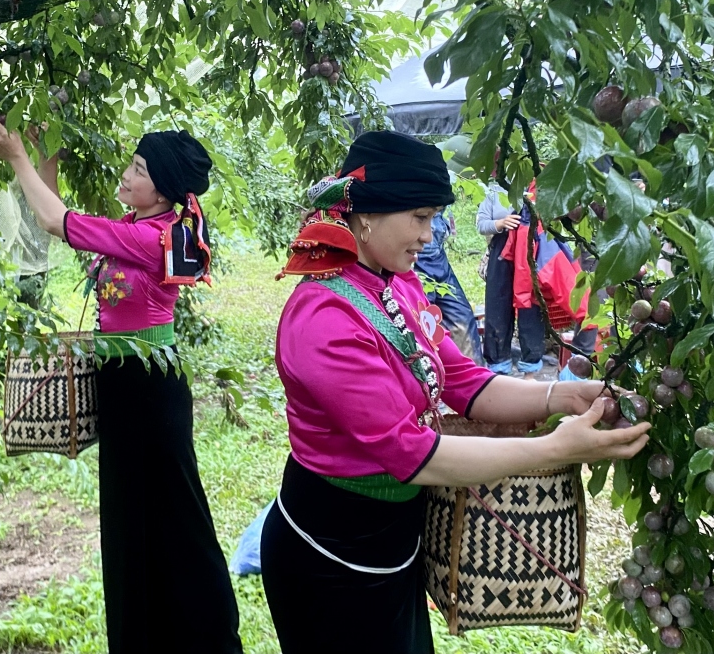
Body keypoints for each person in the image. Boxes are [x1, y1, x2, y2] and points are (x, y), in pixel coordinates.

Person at [260, 130, 649, 654]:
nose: (431, 233)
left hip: (394, 539)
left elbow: (463, 381)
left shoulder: (398, 284)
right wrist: (555, 449)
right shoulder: (323, 317)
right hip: (330, 551)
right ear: (368, 214)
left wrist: (559, 396)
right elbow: (410, 453)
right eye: (420, 217)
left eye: (433, 217)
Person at [0, 120, 242, 654]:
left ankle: (204, 634)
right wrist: (46, 154)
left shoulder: (148, 237)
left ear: (166, 189)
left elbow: (55, 222)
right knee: (139, 519)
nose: (126, 176)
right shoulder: (144, 226)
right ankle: (158, 634)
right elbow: (62, 218)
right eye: (132, 164)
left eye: (139, 170)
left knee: (169, 515)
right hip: (132, 383)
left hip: (146, 385)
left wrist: (17, 158)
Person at [478, 180, 546, 375]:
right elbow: (481, 223)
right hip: (501, 251)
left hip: (531, 251)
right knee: (497, 306)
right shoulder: (495, 190)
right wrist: (501, 223)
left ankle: (530, 371)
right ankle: (499, 368)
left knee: (531, 307)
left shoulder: (536, 186)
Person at [413, 204, 480, 360]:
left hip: (437, 253)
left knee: (463, 320)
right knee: (421, 325)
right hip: (413, 255)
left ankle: (476, 380)